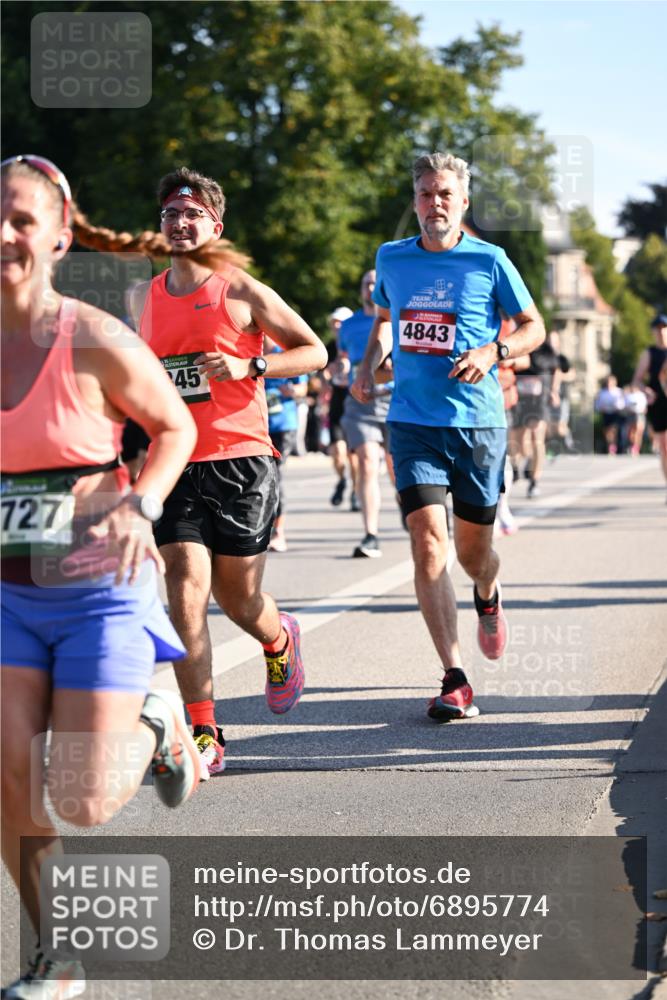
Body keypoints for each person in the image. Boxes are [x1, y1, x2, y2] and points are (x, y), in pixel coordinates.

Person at [1, 155, 201, 998]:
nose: (3, 233)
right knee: (9, 779)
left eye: (20, 218)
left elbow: (175, 427)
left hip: (98, 592)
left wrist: (143, 504)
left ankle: (159, 723)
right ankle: (57, 955)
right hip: (8, 596)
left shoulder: (93, 338)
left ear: (58, 236)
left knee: (80, 799)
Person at [131, 167, 328, 776]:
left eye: (193, 215)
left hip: (242, 461)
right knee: (185, 592)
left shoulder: (240, 289)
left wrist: (252, 367)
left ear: (215, 227)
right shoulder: (143, 298)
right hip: (177, 463)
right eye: (171, 214)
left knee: (238, 599)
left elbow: (315, 351)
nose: (180, 223)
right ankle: (204, 730)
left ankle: (278, 638)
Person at [352, 151, 545, 721]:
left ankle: (487, 594)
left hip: (478, 424)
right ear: (414, 201)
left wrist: (493, 351)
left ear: (462, 202)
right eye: (425, 194)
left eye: (444, 195)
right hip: (413, 421)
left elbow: (534, 327)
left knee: (473, 554)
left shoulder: (490, 260)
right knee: (426, 541)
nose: (434, 203)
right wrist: (366, 367)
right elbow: (384, 322)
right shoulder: (391, 257)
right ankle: (454, 676)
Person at [340, 270, 394, 557]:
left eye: (375, 282)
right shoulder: (348, 326)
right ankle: (371, 534)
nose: (371, 287)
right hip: (361, 403)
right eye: (366, 283)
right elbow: (343, 359)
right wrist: (341, 370)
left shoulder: (398, 319)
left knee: (398, 470)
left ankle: (409, 510)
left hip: (396, 401)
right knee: (367, 463)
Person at [264, 335, 309, 552]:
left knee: (274, 475)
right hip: (256, 425)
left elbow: (303, 388)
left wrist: (291, 391)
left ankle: (278, 532)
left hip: (283, 425)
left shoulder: (285, 354)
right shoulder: (246, 351)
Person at [512, 337, 560, 496]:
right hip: (520, 398)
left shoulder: (547, 351)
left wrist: (554, 390)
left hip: (540, 399)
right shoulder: (517, 343)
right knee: (520, 441)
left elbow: (556, 370)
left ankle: (534, 481)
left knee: (537, 437)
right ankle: (526, 461)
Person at [325, 306, 357, 507]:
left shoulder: (357, 343)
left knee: (354, 455)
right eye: (334, 322)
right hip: (337, 399)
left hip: (354, 399)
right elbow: (323, 371)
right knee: (337, 451)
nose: (337, 326)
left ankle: (355, 491)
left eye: (341, 322)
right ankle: (342, 480)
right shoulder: (330, 347)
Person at [632, 313, 667, 494]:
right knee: (665, 446)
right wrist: (646, 391)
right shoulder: (650, 353)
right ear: (653, 332)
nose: (661, 332)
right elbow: (637, 380)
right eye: (658, 329)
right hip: (658, 402)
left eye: (664, 328)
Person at [594, 374, 626, 455]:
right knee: (607, 431)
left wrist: (617, 406)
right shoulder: (602, 392)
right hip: (606, 414)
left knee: (613, 429)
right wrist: (600, 408)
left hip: (615, 413)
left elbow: (623, 403)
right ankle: (610, 445)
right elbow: (597, 404)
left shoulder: (619, 391)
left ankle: (613, 447)